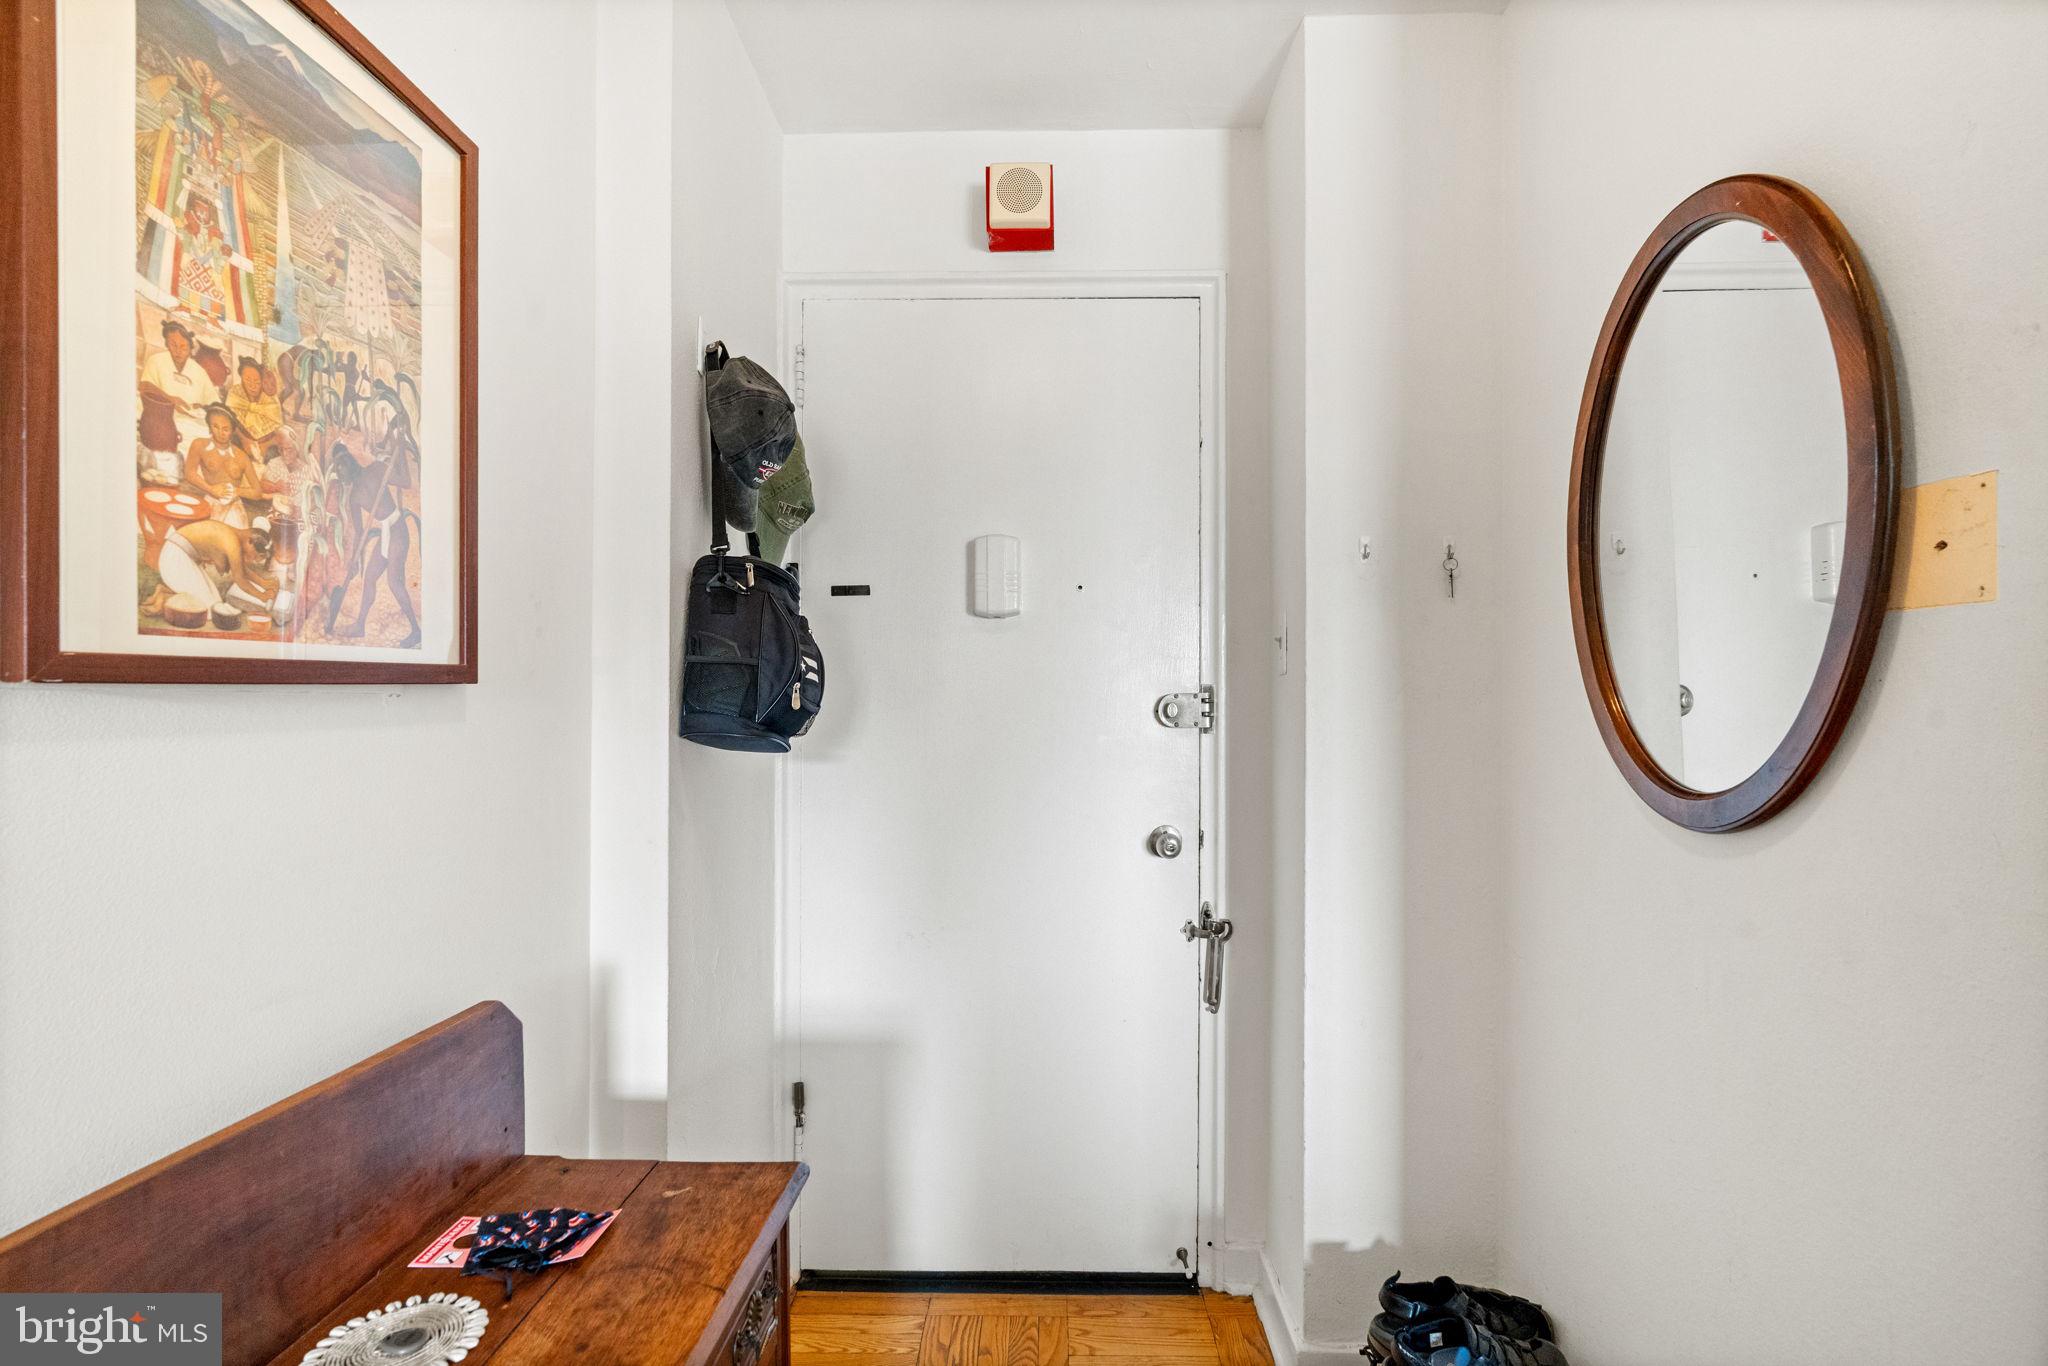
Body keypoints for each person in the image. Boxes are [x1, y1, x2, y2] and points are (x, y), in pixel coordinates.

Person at [137, 319, 219, 481]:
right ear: (167, 344)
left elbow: (212, 402)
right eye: (173, 345)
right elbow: (144, 386)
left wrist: (198, 405)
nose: (178, 351)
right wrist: (171, 399)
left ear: (190, 349)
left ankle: (195, 478)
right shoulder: (157, 360)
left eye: (183, 347)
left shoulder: (198, 371)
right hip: (160, 416)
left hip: (189, 420)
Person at [182, 404, 263, 529]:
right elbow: (189, 473)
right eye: (215, 427)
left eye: (226, 429)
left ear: (232, 430)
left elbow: (257, 492)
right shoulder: (199, 445)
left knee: (233, 541)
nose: (220, 433)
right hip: (210, 501)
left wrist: (237, 491)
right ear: (209, 426)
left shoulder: (242, 456)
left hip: (234, 506)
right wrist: (210, 489)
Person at [226, 357, 286, 458]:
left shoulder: (270, 399)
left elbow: (278, 429)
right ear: (241, 378)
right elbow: (229, 421)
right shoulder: (235, 392)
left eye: (257, 381)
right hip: (240, 443)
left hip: (268, 446)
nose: (252, 386)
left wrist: (263, 447)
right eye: (247, 380)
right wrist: (245, 440)